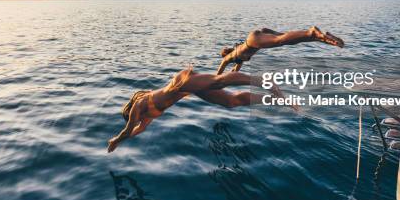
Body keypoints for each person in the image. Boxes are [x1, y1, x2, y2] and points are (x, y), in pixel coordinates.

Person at [107, 67, 288, 153]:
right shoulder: (146, 116)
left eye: (133, 118)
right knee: (231, 102)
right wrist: (123, 140)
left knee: (220, 81)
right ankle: (274, 99)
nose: (136, 120)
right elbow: (139, 129)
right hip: (188, 89)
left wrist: (115, 140)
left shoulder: (139, 107)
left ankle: (263, 80)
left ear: (130, 112)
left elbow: (128, 129)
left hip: (182, 83)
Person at [216, 26, 344, 74]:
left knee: (280, 40)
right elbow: (235, 71)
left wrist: (214, 80)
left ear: (226, 54)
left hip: (253, 41)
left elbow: (222, 65)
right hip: (257, 36)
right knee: (285, 39)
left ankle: (312, 32)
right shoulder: (239, 59)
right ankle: (323, 38)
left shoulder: (232, 56)